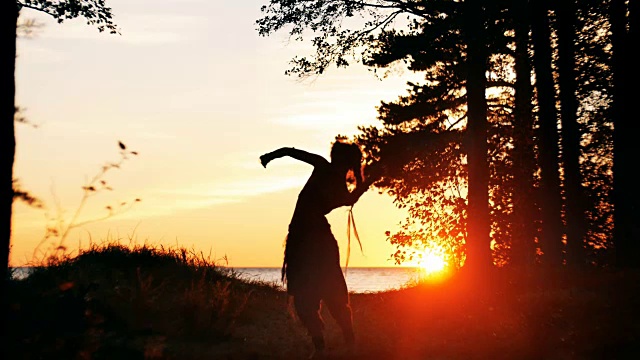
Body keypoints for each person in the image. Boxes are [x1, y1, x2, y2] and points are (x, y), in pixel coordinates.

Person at [260, 141, 378, 358]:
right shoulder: (329, 173)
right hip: (307, 237)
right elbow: (291, 152)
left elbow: (291, 152)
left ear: (342, 161)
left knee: (324, 292)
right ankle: (326, 346)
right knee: (314, 296)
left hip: (312, 238)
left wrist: (365, 185)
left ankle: (338, 344)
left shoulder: (331, 174)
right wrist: (270, 155)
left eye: (339, 160)